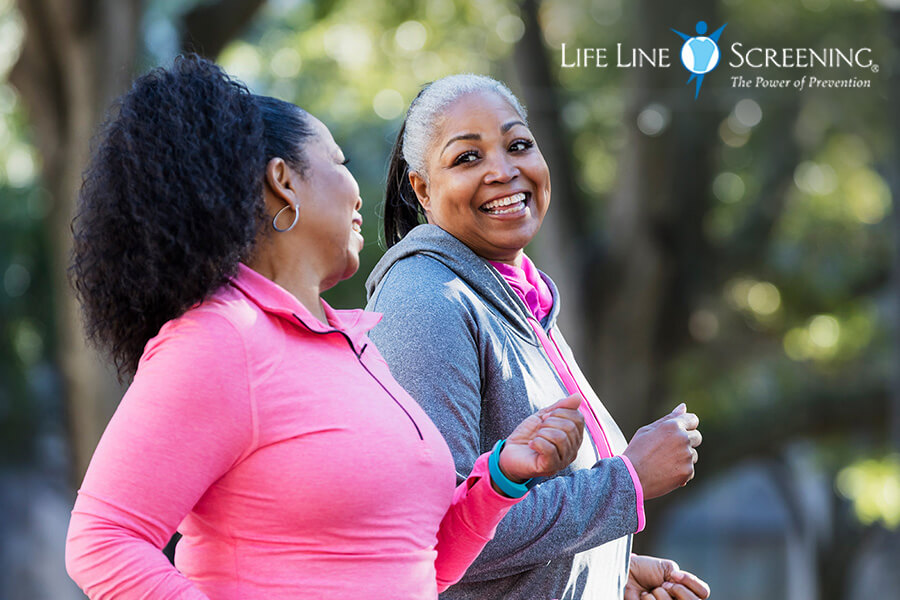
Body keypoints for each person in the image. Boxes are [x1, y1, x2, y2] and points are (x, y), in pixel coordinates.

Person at [63, 56, 588, 600]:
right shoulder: (221, 339)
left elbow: (416, 562)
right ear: (283, 181)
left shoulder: (355, 349)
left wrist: (499, 478)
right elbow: (103, 540)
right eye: (337, 161)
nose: (360, 192)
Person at [365, 74, 710, 600]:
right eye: (466, 158)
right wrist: (629, 480)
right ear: (422, 188)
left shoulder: (518, 299)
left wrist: (608, 572)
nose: (504, 171)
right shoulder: (427, 300)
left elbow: (518, 521)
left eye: (518, 145)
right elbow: (438, 536)